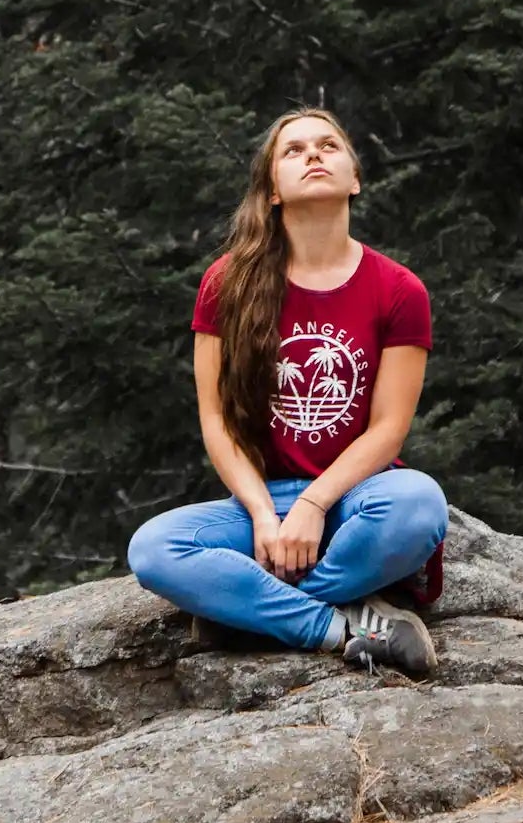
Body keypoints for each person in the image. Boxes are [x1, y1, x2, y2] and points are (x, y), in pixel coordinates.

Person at [127, 107, 447, 677]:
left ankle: (253, 612)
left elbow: (388, 430)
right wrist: (263, 513)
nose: (313, 155)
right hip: (261, 506)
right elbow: (217, 423)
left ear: (354, 178)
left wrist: (315, 504)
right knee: (154, 549)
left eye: (328, 145)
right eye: (293, 150)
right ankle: (337, 625)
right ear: (271, 189)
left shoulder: (400, 290)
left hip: (356, 500)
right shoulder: (227, 283)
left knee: (419, 503)